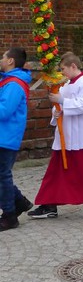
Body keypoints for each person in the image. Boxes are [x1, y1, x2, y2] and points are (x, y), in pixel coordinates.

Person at [28, 52, 83, 219]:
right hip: (67, 135)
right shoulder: (65, 84)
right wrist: (56, 111)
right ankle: (49, 204)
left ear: (73, 66)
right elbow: (60, 104)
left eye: (63, 69)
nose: (61, 72)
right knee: (56, 172)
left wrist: (62, 102)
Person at [0, 48, 33, 231]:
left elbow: (4, 110)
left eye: (3, 57)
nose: (1, 60)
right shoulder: (8, 81)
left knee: (2, 176)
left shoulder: (13, 84)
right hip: (4, 135)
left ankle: (9, 216)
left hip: (5, 136)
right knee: (2, 175)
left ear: (11, 61)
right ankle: (19, 202)